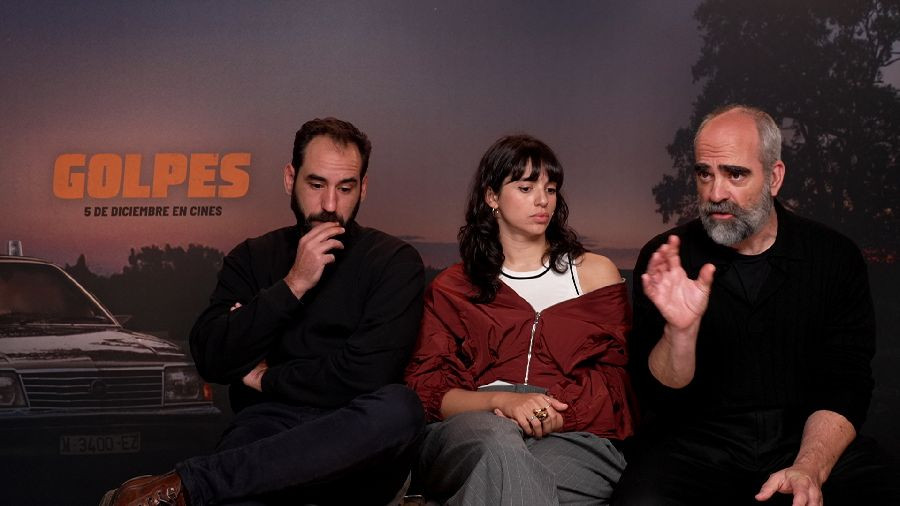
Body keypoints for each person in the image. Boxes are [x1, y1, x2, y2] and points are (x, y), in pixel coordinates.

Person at [101, 117, 425, 506]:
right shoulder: (253, 257)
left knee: (400, 409)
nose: (330, 205)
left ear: (363, 188)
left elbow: (366, 375)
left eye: (345, 188)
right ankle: (212, 483)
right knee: (247, 458)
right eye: (316, 184)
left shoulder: (393, 261)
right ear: (290, 179)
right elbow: (212, 357)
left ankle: (190, 485)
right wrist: (293, 284)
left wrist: (266, 377)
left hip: (356, 440)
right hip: (266, 433)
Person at [612, 105, 899, 505]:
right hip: (696, 446)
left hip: (804, 439)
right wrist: (680, 332)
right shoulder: (667, 258)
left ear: (774, 177)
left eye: (735, 174)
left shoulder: (834, 257)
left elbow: (846, 384)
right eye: (704, 174)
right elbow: (659, 395)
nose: (715, 194)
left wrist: (809, 468)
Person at [405, 134, 636, 505]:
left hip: (571, 434)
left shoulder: (595, 274)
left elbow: (615, 384)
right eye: (526, 188)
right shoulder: (452, 287)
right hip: (473, 428)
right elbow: (429, 390)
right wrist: (503, 402)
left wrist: (551, 412)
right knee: (500, 447)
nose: (542, 200)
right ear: (492, 197)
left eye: (550, 189)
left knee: (506, 479)